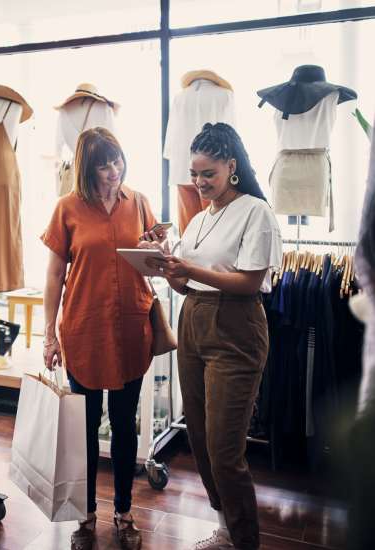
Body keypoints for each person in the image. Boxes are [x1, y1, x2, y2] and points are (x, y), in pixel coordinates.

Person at [142, 122, 282, 550]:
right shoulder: (201, 218)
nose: (200, 183)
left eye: (209, 174)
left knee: (224, 448)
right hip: (194, 321)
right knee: (199, 439)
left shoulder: (255, 211)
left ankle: (244, 542)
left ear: (231, 167)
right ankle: (225, 529)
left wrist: (191, 271)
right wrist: (164, 260)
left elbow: (249, 281)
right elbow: (186, 285)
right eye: (195, 174)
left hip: (236, 328)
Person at [41, 127, 163, 550]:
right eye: (103, 164)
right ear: (86, 168)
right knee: (86, 428)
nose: (113, 171)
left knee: (125, 426)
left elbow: (153, 264)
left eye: (117, 161)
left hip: (131, 328)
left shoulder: (140, 202)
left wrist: (158, 249)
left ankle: (124, 511)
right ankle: (87, 513)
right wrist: (48, 337)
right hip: (84, 330)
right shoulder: (67, 208)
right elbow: (55, 276)